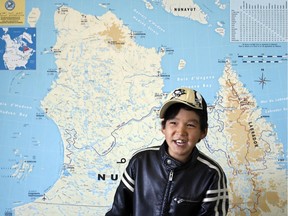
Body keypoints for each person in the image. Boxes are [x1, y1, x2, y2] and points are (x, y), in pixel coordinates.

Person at [106, 87, 229, 216]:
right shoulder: (140, 162)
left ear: (203, 132)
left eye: (190, 125)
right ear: (163, 127)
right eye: (173, 123)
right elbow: (118, 212)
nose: (181, 132)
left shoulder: (211, 174)